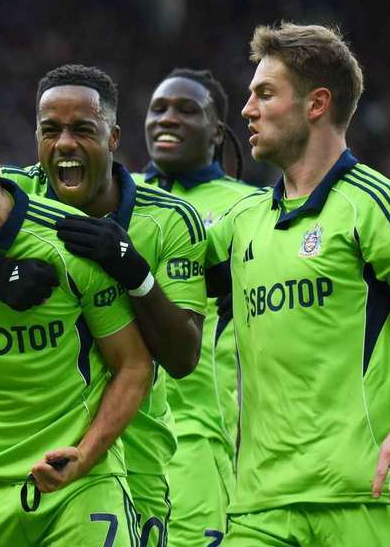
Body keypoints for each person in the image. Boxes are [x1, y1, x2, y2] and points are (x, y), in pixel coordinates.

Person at [0, 65, 208, 547]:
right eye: (50, 130)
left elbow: (177, 359)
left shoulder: (166, 221)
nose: (65, 144)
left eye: (82, 129)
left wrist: (131, 267)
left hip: (126, 453)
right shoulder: (13, 191)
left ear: (113, 137)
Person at [205, 22, 390, 546]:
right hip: (259, 508)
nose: (247, 110)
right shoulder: (242, 221)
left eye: (264, 94)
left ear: (316, 103)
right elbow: (159, 258)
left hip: (361, 499)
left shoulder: (375, 204)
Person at [134, 68, 254, 547]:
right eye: (159, 108)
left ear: (217, 132)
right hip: (116, 436)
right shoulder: (118, 201)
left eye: (187, 109)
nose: (168, 118)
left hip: (197, 434)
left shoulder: (250, 208)